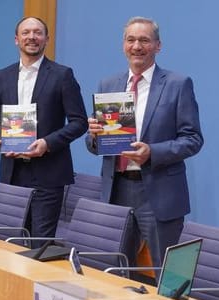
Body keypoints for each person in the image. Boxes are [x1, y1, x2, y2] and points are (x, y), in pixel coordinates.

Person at [86, 17, 203, 273]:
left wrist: (153, 152)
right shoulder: (108, 85)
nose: (137, 46)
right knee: (115, 271)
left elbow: (193, 139)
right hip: (117, 190)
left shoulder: (177, 84)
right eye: (131, 40)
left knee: (169, 274)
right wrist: (94, 136)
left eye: (144, 40)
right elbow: (95, 146)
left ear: (158, 46)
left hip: (159, 193)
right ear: (123, 45)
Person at [0, 17, 88, 240]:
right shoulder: (2, 76)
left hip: (48, 174)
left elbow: (80, 122)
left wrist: (47, 143)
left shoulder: (62, 75)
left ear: (47, 39)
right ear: (16, 39)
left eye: (38, 33)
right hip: (12, 172)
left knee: (39, 243)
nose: (32, 37)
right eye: (26, 32)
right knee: (10, 240)